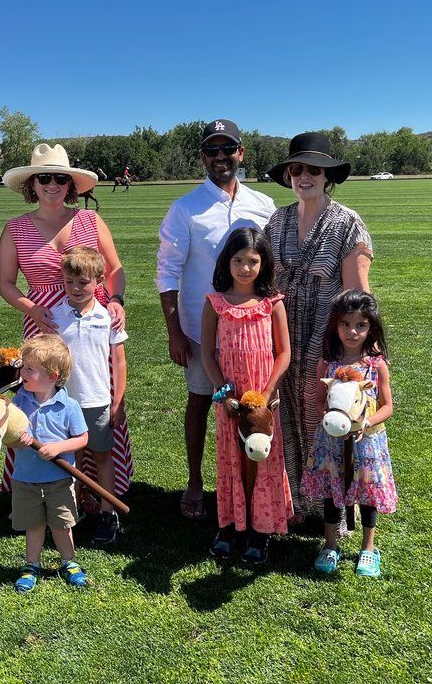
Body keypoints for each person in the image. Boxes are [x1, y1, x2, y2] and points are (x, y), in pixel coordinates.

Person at [0, 143, 132, 506]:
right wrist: (33, 309)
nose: (52, 184)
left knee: (93, 399)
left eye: (60, 178)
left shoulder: (90, 220)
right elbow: (5, 283)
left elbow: (115, 269)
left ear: (71, 183)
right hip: (44, 328)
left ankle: (99, 496)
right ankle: (50, 495)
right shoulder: (16, 228)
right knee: (45, 405)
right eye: (44, 178)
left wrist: (115, 301)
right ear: (32, 184)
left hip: (91, 319)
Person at [157, 119, 276, 520]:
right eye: (213, 150)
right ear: (203, 157)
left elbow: (272, 267)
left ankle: (256, 485)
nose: (221, 157)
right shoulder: (186, 208)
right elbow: (167, 271)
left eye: (228, 149)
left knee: (255, 405)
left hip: (252, 332)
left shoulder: (262, 205)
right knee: (201, 403)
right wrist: (174, 331)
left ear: (241, 154)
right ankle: (195, 483)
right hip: (199, 329)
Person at [263, 132, 372, 527]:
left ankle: (335, 511)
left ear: (328, 176)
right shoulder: (276, 222)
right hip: (282, 338)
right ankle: (296, 504)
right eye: (297, 169)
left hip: (325, 340)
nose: (304, 176)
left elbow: (358, 296)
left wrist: (356, 356)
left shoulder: (347, 224)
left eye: (314, 169)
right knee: (286, 419)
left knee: (326, 420)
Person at [200, 228, 292, 564]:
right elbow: (208, 354)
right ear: (227, 261)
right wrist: (223, 394)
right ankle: (230, 526)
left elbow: (284, 354)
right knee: (231, 460)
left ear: (264, 263)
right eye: (238, 260)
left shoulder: (272, 304)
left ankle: (261, 530)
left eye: (252, 261)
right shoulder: (216, 303)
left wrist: (266, 394)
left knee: (263, 460)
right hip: (231, 400)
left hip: (264, 401)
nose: (244, 268)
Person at [303, 290, 396, 578]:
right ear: (335, 325)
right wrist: (328, 419)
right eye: (345, 324)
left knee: (367, 494)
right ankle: (330, 545)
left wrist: (367, 423)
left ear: (371, 327)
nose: (352, 332)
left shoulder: (375, 365)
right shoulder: (328, 363)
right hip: (331, 443)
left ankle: (368, 549)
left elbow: (388, 406)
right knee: (332, 493)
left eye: (361, 325)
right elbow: (319, 400)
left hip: (367, 443)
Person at [52, 246, 128, 544]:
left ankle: (108, 512)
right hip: (64, 403)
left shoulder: (108, 317)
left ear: (98, 281)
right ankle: (70, 512)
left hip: (97, 401)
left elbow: (119, 362)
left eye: (83, 283)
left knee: (102, 457)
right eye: (69, 282)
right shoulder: (56, 315)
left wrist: (118, 401)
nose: (75, 288)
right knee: (70, 460)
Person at [7, 334, 91, 592]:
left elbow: (82, 438)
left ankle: (69, 562)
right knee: (33, 526)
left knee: (62, 525)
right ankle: (31, 565)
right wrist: (15, 440)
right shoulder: (18, 402)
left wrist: (58, 447)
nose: (22, 372)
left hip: (59, 481)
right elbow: (7, 436)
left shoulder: (68, 406)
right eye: (24, 366)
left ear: (52, 377)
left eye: (30, 369)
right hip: (26, 479)